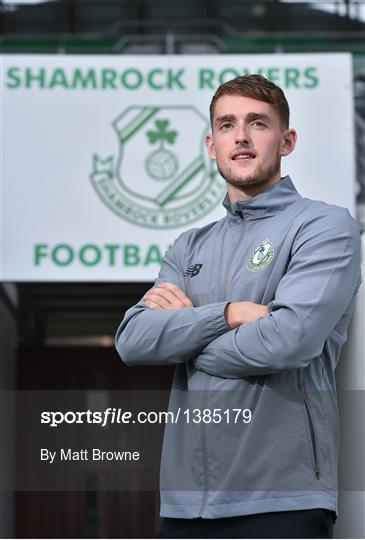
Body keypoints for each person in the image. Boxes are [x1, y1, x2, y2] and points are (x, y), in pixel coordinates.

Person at [115, 74, 362, 539]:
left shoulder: (323, 226)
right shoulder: (189, 246)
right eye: (227, 125)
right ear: (212, 144)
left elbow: (287, 342)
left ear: (286, 140)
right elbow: (133, 341)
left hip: (283, 501)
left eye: (258, 123)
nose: (241, 136)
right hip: (186, 507)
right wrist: (228, 315)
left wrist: (185, 340)